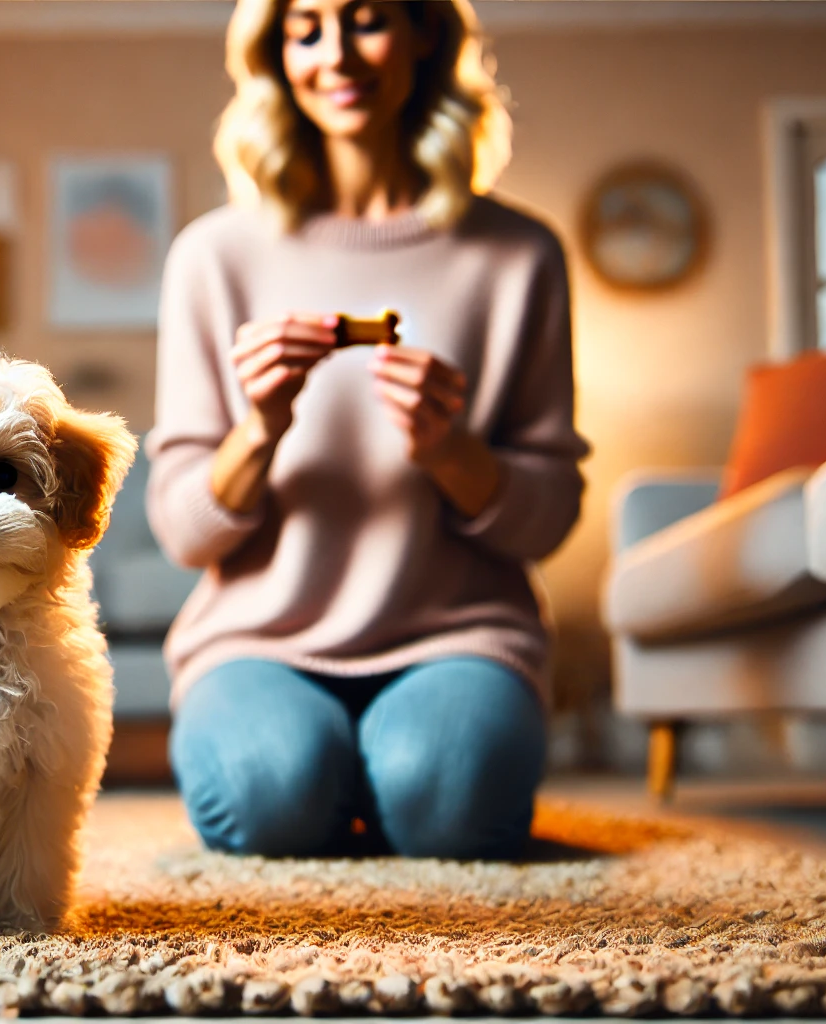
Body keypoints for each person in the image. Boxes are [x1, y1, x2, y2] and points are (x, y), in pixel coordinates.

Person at [145, 0, 590, 860]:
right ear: (275, 53)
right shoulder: (213, 256)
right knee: (269, 800)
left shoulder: (521, 253)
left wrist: (450, 452)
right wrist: (261, 430)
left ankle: (392, 773)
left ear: (426, 31)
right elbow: (181, 528)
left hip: (461, 638)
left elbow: (550, 517)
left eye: (367, 20)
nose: (336, 56)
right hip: (257, 642)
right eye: (306, 28)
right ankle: (335, 772)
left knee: (452, 811)